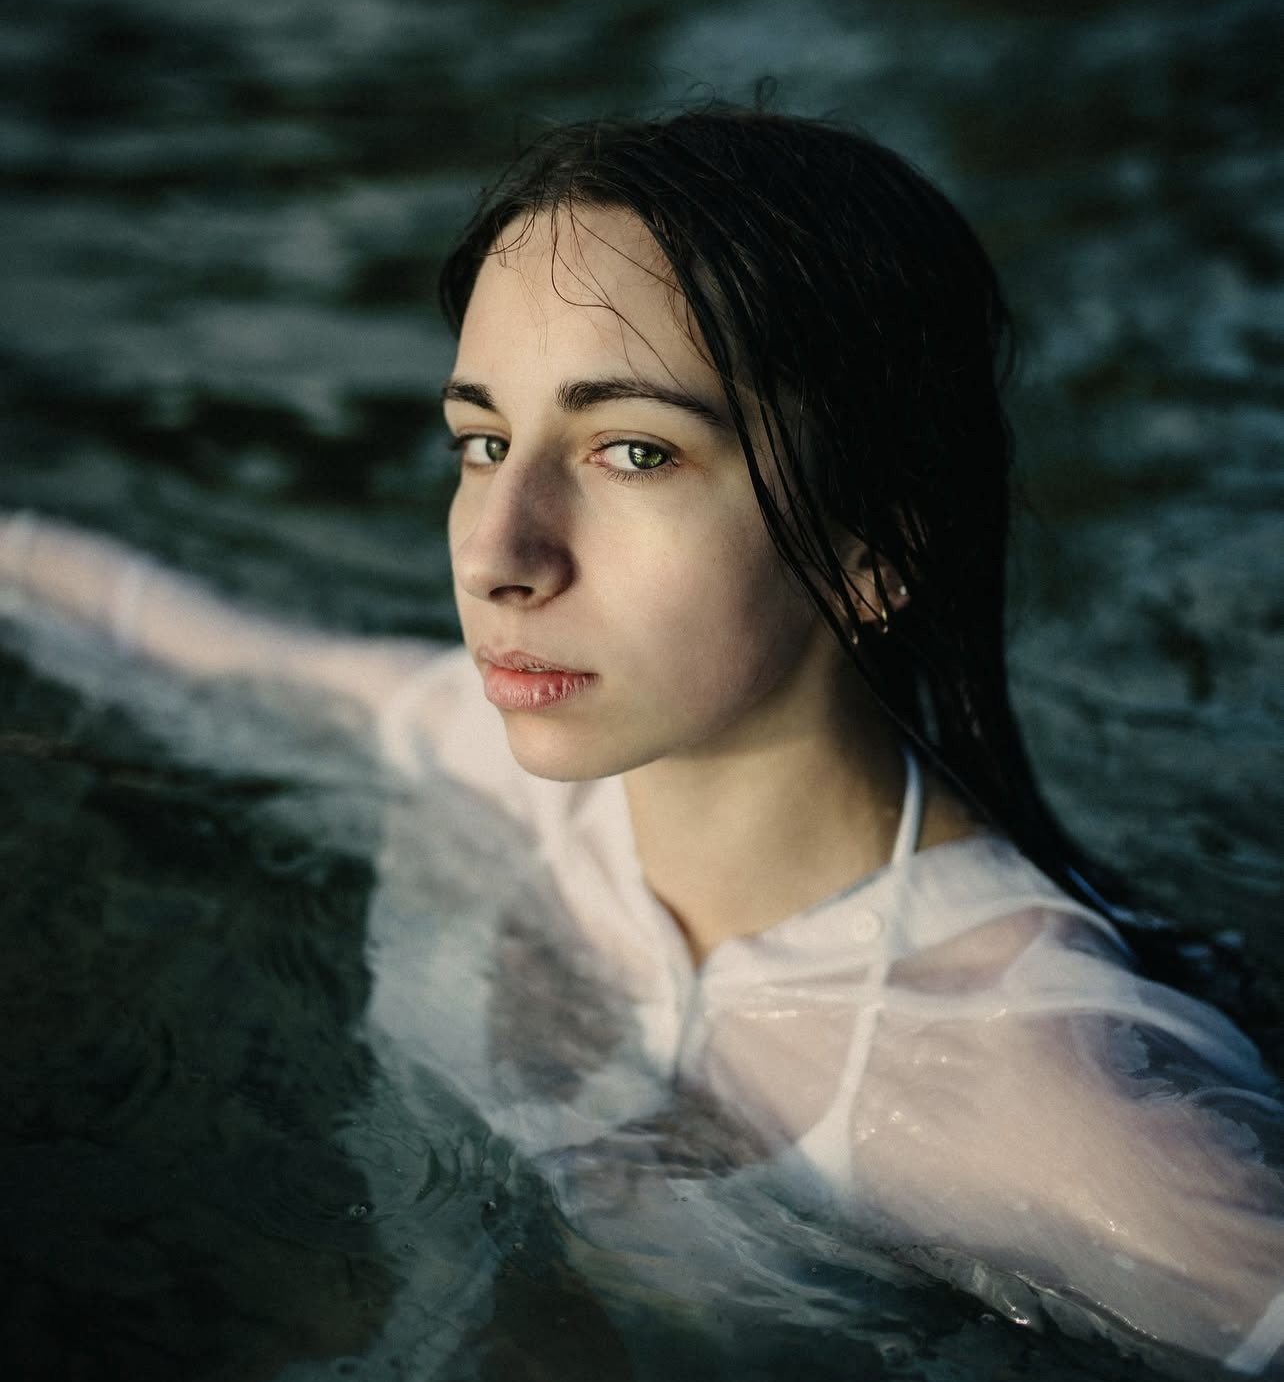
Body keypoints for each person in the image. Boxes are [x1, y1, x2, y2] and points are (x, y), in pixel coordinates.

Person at [2, 108, 1282, 1374]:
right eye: (484, 442)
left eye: (631, 449)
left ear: (875, 550)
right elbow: (126, 621)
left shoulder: (1050, 1112)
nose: (497, 553)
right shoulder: (475, 749)